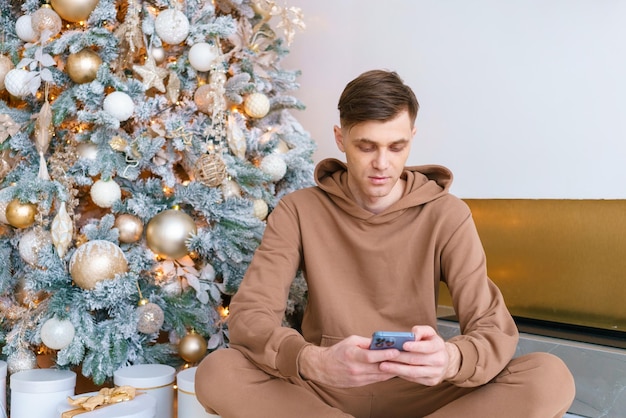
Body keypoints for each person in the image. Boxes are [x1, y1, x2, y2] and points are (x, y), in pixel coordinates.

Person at [195, 69, 576, 418]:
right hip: (324, 390)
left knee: (550, 377)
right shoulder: (299, 209)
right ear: (340, 138)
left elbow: (491, 324)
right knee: (216, 372)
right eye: (366, 146)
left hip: (425, 393)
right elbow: (250, 316)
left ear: (413, 137)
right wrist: (313, 360)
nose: (382, 163)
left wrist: (450, 359)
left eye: (396, 147)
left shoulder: (447, 214)